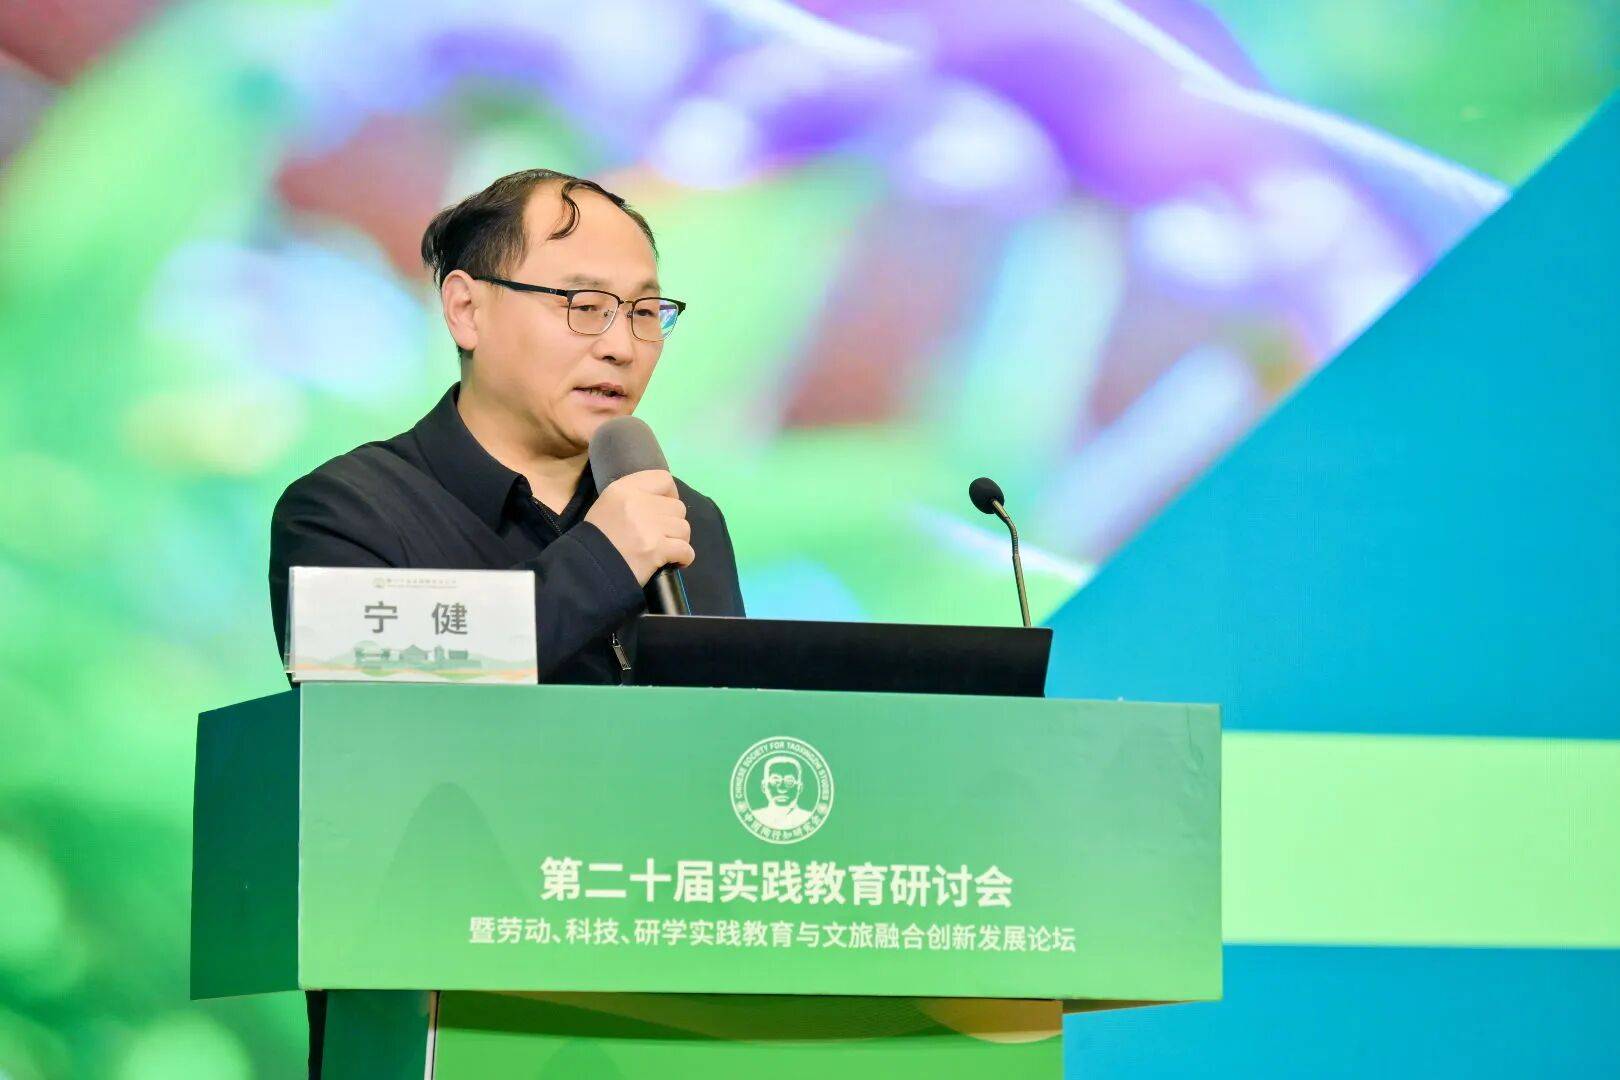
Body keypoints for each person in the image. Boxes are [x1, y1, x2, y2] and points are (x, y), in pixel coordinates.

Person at [267, 168, 746, 1078]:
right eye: (584, 306)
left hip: (656, 1006)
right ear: (467, 309)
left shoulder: (686, 523)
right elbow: (368, 721)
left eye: (646, 313)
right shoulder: (347, 510)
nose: (621, 346)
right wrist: (602, 561)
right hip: (436, 1005)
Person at [753, 755, 813, 830]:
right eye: (775, 781)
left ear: (800, 787)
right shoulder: (755, 817)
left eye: (789, 781)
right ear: (764, 786)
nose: (782, 788)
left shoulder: (809, 819)